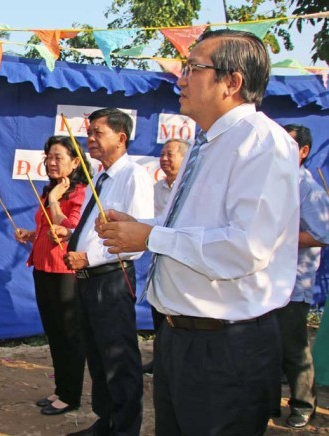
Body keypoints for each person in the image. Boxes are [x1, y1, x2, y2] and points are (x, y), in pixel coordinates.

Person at [95, 29, 300, 435]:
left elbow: (246, 248)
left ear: (232, 82)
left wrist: (150, 238)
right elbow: (189, 229)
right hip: (179, 338)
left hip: (227, 347)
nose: (180, 78)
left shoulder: (262, 142)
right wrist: (140, 227)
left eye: (193, 68)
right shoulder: (206, 143)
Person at [54, 108, 154, 435]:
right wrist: (73, 237)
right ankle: (106, 420)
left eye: (98, 133)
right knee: (97, 357)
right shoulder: (100, 175)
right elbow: (95, 228)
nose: (90, 139)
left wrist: (89, 258)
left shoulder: (133, 175)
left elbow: (136, 237)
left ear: (121, 138)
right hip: (88, 281)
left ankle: (125, 428)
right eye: (89, 132)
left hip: (111, 279)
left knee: (118, 360)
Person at [14, 136, 90, 416]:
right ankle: (61, 389)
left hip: (65, 272)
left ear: (75, 161)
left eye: (58, 157)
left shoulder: (81, 191)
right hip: (42, 268)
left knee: (69, 334)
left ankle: (71, 395)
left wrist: (56, 202)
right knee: (55, 333)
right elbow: (46, 230)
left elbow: (69, 229)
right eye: (49, 157)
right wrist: (30, 234)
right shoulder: (50, 191)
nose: (52, 162)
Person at [274, 124, 329, 428]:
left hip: (294, 284)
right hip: (265, 282)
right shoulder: (272, 181)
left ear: (304, 152)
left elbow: (322, 234)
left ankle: (304, 404)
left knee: (294, 348)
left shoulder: (308, 188)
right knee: (266, 347)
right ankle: (268, 402)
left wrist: (277, 237)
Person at [143, 138, 189, 375]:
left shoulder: (190, 189)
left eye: (170, 155)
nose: (164, 159)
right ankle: (159, 360)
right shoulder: (156, 188)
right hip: (158, 260)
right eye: (162, 154)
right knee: (158, 312)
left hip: (182, 263)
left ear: (185, 158)